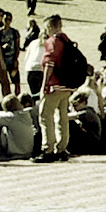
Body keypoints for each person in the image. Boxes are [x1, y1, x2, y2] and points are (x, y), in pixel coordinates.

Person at [34, 14, 76, 163]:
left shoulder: (53, 41)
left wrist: (44, 84)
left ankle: (48, 149)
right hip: (67, 85)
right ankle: (62, 148)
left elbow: (50, 63)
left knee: (45, 115)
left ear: (50, 26)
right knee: (62, 117)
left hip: (54, 85)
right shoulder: (66, 40)